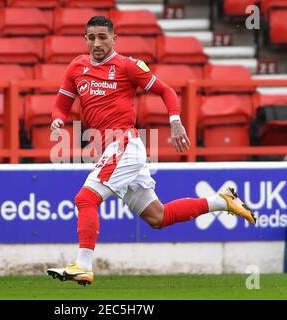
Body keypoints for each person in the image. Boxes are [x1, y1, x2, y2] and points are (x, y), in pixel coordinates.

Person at [47, 16, 256, 286]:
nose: (96, 43)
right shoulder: (77, 66)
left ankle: (83, 266)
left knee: (85, 199)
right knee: (158, 217)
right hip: (109, 148)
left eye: (102, 37)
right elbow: (62, 103)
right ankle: (222, 201)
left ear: (114, 39)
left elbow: (167, 91)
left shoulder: (128, 66)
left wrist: (176, 122)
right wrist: (57, 118)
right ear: (84, 39)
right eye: (91, 37)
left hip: (123, 143)